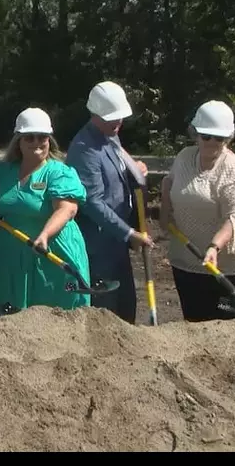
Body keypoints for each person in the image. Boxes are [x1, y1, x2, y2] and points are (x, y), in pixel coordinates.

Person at [159, 100, 235, 322]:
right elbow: (168, 186)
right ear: (196, 134)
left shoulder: (233, 168)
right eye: (206, 136)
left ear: (228, 138)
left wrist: (214, 247)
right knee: (197, 327)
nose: (211, 142)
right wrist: (165, 217)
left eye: (219, 138)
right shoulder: (184, 158)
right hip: (189, 260)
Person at [0, 107, 90, 311]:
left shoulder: (58, 173)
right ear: (19, 141)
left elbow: (66, 209)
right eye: (29, 137)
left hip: (51, 251)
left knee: (53, 315)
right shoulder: (6, 170)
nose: (37, 143)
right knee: (5, 314)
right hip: (10, 251)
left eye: (42, 137)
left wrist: (45, 235)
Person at [66, 81, 153, 323]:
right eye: (112, 118)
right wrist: (129, 233)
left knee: (126, 309)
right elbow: (92, 201)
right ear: (95, 114)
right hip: (99, 246)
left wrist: (134, 170)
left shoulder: (110, 136)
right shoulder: (85, 149)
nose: (119, 123)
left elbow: (116, 168)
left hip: (116, 243)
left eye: (120, 117)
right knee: (105, 314)